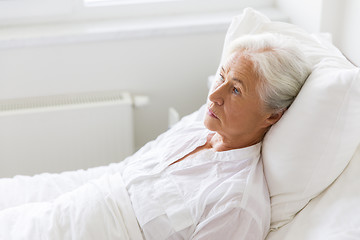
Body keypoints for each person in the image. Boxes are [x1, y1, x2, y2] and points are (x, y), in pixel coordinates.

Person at [0, 33, 310, 240]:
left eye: (236, 89)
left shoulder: (237, 204)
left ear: (272, 115)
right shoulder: (198, 126)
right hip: (77, 204)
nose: (214, 95)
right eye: (221, 76)